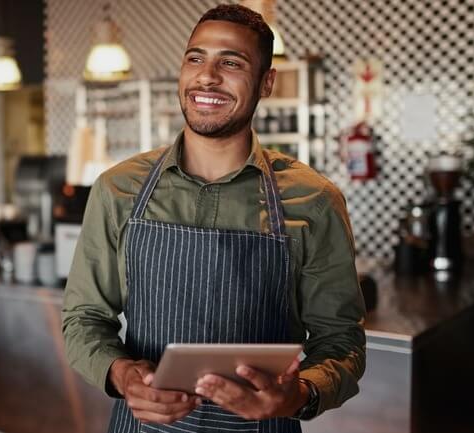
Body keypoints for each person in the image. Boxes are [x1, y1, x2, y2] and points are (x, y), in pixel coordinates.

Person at [62, 4, 366, 433]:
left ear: (266, 82)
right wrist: (122, 375)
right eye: (195, 58)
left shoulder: (314, 200)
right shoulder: (118, 190)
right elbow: (83, 318)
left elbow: (342, 341)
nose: (207, 76)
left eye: (231, 62)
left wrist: (299, 393)